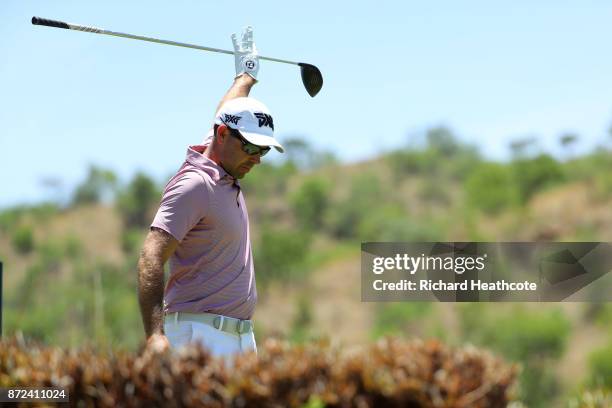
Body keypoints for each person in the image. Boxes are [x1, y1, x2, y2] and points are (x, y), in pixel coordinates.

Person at [137, 26, 284, 358]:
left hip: (240, 339)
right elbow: (150, 257)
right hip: (198, 337)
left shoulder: (220, 160)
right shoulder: (194, 184)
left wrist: (245, 76)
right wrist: (154, 335)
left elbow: (226, 109)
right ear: (222, 135)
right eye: (250, 147)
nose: (256, 159)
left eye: (263, 151)